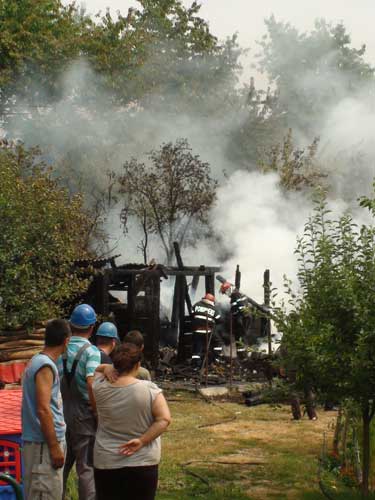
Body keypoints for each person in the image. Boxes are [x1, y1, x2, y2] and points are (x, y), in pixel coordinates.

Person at [93, 343, 171, 500]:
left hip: (107, 460)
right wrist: (142, 441)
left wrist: (106, 368)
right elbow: (164, 419)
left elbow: (95, 370)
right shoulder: (149, 389)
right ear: (138, 365)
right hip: (143, 461)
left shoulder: (99, 386)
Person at [22, 319, 71, 500]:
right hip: (43, 446)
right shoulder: (44, 366)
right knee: (44, 493)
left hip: (42, 445)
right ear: (66, 341)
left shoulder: (38, 360)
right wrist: (54, 447)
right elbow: (43, 409)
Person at [59, 303, 100, 500]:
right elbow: (91, 384)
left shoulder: (61, 349)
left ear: (71, 325)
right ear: (92, 327)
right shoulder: (91, 352)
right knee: (86, 467)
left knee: (62, 464)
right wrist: (96, 411)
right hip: (84, 413)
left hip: (61, 410)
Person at [191, 293, 221, 368]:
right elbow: (219, 319)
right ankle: (216, 359)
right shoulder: (213, 308)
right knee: (218, 342)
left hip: (197, 331)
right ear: (212, 301)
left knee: (197, 348)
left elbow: (192, 314)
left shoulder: (196, 304)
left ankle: (195, 366)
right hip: (208, 332)